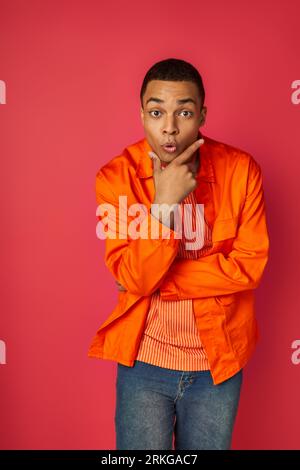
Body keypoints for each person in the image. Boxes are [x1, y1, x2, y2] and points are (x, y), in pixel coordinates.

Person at [88, 58, 270, 450]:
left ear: (202, 114)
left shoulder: (241, 171)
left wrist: (156, 283)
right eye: (156, 112)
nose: (169, 127)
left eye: (184, 112)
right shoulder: (115, 177)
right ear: (141, 114)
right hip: (144, 364)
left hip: (216, 365)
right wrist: (164, 204)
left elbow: (247, 268)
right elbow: (135, 279)